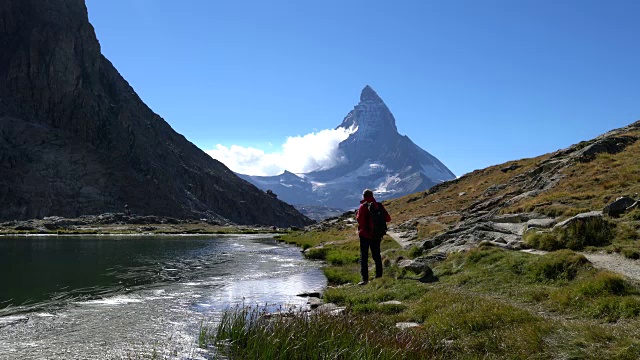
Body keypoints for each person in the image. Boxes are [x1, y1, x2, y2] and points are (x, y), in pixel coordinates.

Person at [356, 189, 391, 285]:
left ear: (364, 196)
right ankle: (379, 277)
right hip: (376, 235)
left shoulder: (363, 207)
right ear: (372, 195)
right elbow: (388, 218)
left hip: (365, 236)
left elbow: (360, 220)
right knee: (377, 256)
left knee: (364, 257)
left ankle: (365, 280)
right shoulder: (379, 205)